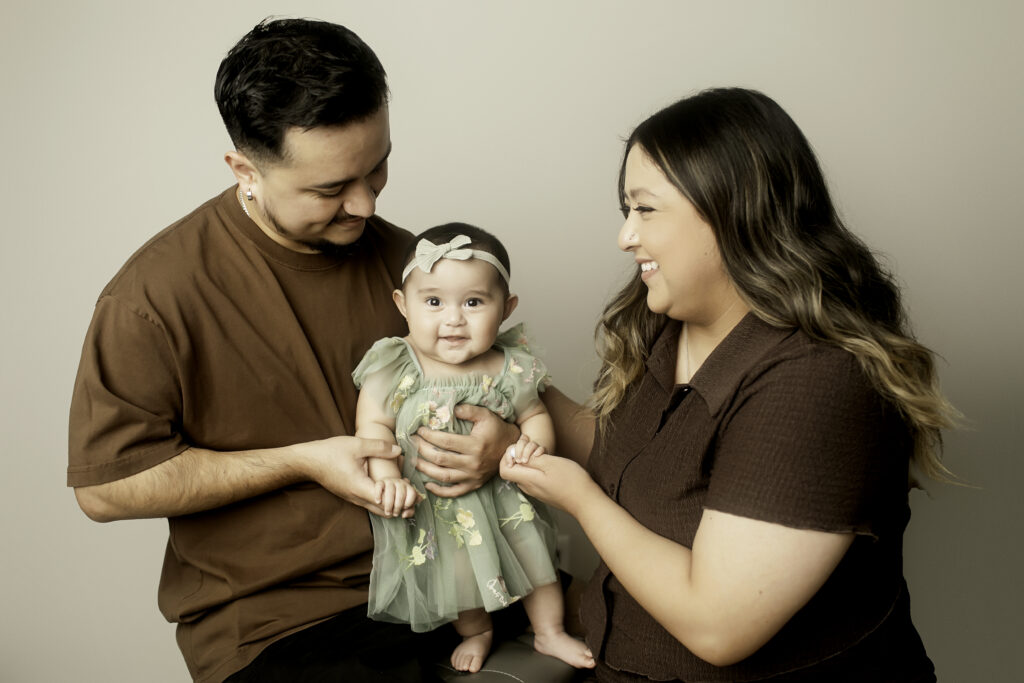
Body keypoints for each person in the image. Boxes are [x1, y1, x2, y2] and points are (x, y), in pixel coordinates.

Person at [66, 19, 519, 683]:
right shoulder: (151, 298)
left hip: (453, 574)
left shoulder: (416, 267)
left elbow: (531, 397)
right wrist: (303, 462)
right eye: (331, 189)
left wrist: (506, 440)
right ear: (245, 171)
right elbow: (105, 489)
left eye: (377, 167)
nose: (364, 205)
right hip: (284, 622)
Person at [501, 87, 958, 681]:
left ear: (730, 211)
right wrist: (510, 397)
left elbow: (718, 627)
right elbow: (637, 462)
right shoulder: (664, 323)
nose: (625, 236)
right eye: (625, 209)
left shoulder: (817, 381)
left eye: (645, 209)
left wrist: (579, 499)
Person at [352, 223, 596, 673]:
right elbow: (373, 427)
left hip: (508, 498)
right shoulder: (394, 364)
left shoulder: (510, 366)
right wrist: (386, 478)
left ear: (506, 308)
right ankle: (476, 631)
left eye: (473, 302)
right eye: (433, 302)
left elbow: (535, 415)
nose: (453, 319)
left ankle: (549, 631)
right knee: (457, 577)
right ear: (402, 305)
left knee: (538, 563)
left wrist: (532, 447)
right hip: (437, 505)